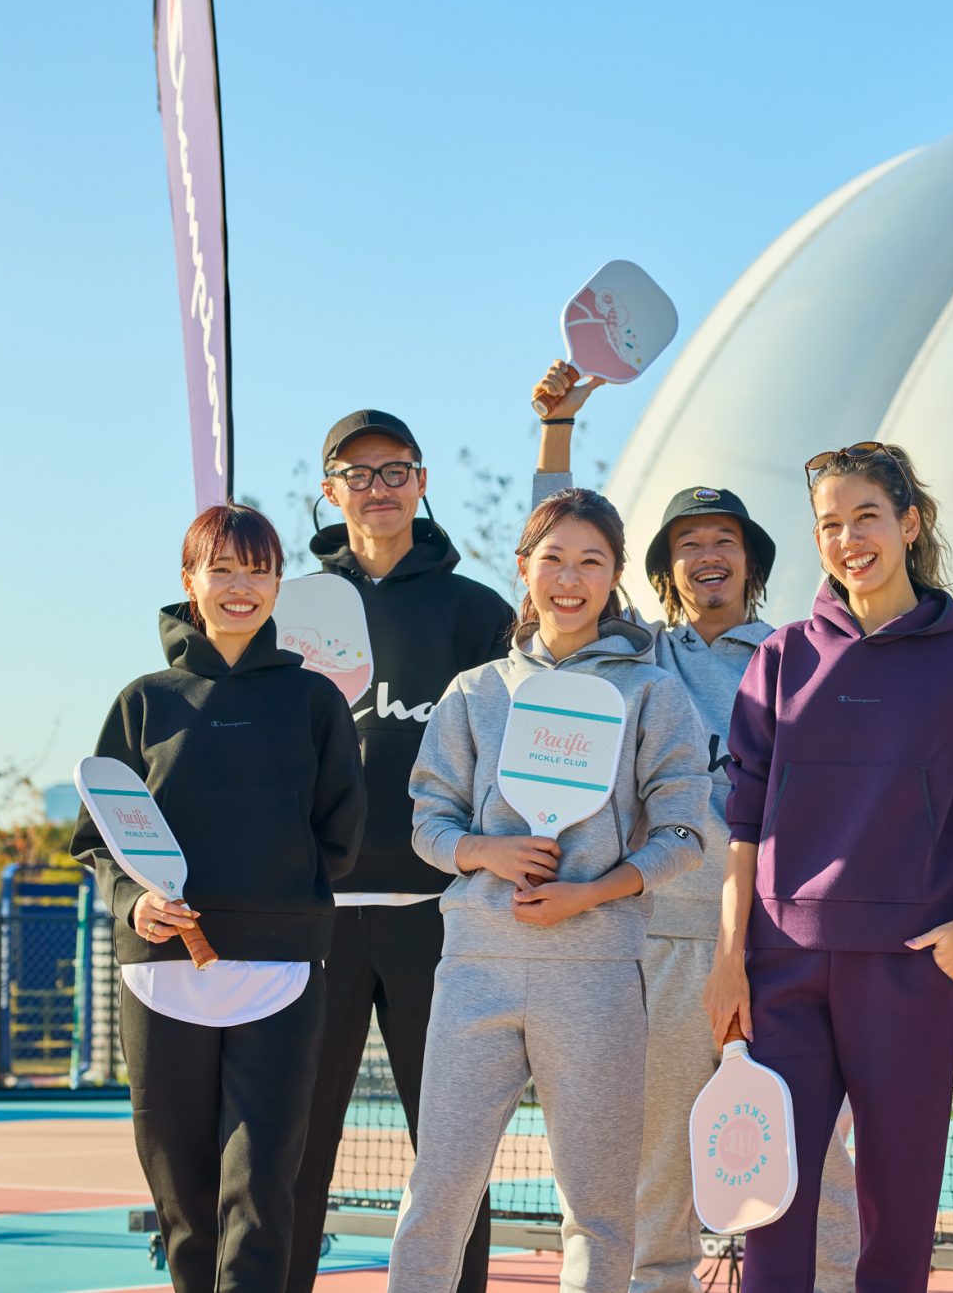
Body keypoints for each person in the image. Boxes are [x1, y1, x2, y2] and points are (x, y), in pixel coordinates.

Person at [530, 362, 861, 1293]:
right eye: (687, 544)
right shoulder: (641, 657)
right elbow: (559, 551)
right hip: (664, 945)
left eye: (724, 541)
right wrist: (558, 432)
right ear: (665, 571)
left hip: (785, 946)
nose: (707, 555)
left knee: (815, 1165)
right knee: (654, 1173)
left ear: (752, 562)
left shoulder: (809, 655)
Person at [704, 440, 953, 1293]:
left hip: (909, 964)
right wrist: (729, 956)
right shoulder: (782, 656)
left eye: (866, 517)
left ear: (909, 523)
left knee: (900, 1207)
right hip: (782, 966)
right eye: (830, 524)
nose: (849, 539)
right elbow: (743, 819)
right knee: (771, 1205)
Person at [387, 487, 716, 1293]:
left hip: (599, 975)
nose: (570, 579)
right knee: (438, 1192)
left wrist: (592, 894)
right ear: (524, 568)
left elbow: (684, 834)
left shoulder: (652, 693)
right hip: (476, 969)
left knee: (598, 1209)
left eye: (591, 562)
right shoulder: (474, 692)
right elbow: (428, 824)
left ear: (615, 576)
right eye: (554, 559)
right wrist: (485, 852)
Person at [70, 502, 366, 1292]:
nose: (242, 587)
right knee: (183, 1195)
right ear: (190, 581)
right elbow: (99, 837)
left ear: (278, 584)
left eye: (259, 571)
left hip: (282, 970)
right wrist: (134, 901)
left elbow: (340, 833)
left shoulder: (315, 701)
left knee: (261, 1184)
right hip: (160, 970)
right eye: (223, 569)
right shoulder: (143, 702)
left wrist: (272, 896)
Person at [289, 410, 517, 1293]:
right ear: (329, 489)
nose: (377, 487)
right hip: (316, 919)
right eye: (357, 473)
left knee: (453, 1155)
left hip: (440, 919)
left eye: (394, 470)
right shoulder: (292, 611)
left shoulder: (476, 612)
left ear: (421, 482)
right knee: (294, 1150)